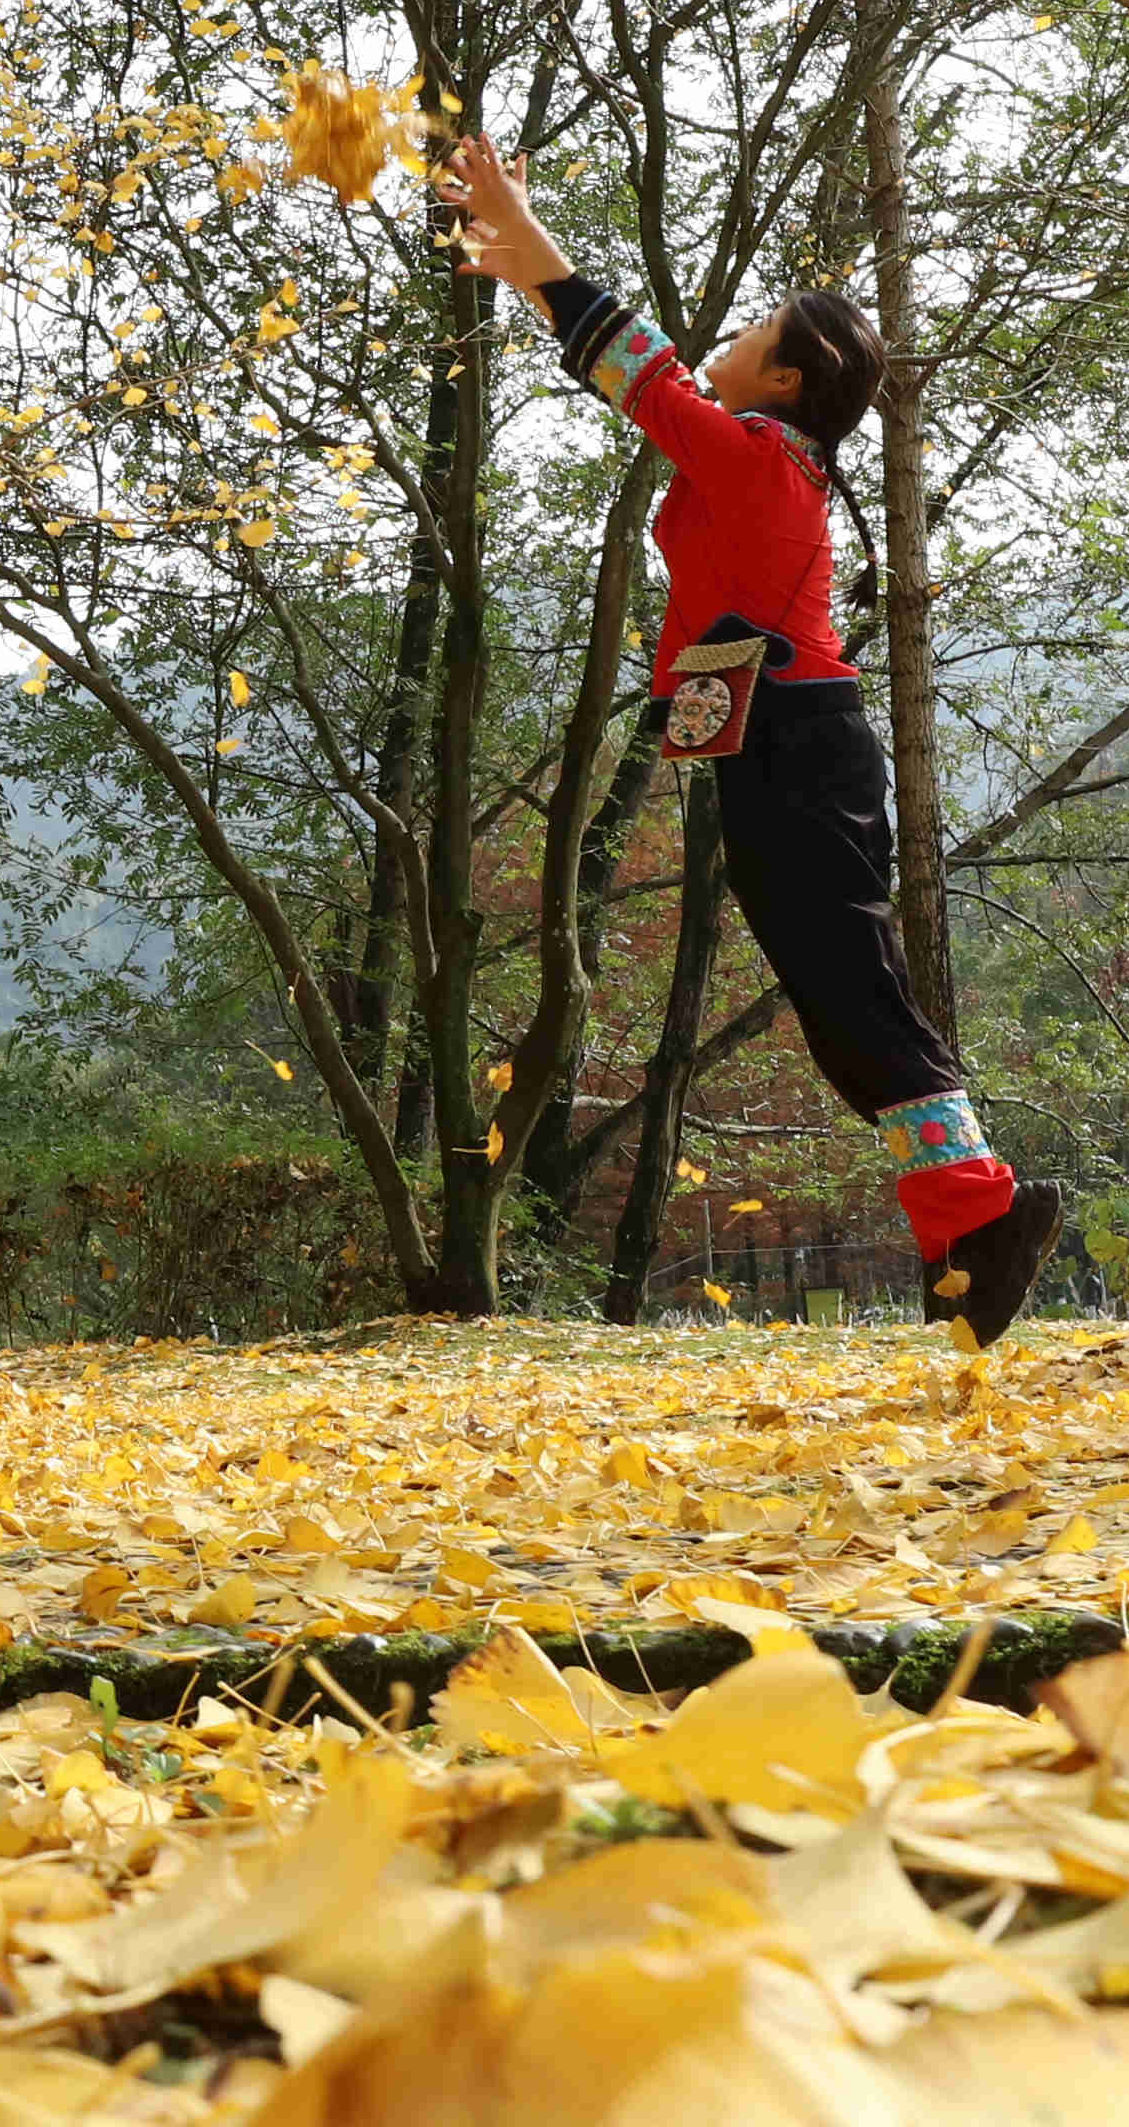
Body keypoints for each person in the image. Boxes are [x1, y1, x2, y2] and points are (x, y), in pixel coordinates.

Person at [444, 129, 1072, 1342]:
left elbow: (633, 367)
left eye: (749, 335)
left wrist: (527, 243)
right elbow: (638, 373)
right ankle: (963, 1225)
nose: (719, 348)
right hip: (777, 745)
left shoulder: (749, 459)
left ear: (787, 377)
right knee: (838, 990)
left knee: (850, 982)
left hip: (797, 745)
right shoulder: (765, 462)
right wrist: (518, 252)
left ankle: (981, 1205)